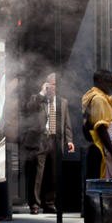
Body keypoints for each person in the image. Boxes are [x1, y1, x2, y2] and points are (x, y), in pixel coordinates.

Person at [21, 72, 74, 213]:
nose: (52, 87)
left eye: (55, 84)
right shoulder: (37, 99)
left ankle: (49, 203)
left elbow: (66, 123)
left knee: (53, 173)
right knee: (38, 173)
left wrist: (69, 140)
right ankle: (35, 204)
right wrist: (41, 93)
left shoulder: (62, 102)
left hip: (55, 139)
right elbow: (29, 108)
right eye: (50, 83)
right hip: (40, 139)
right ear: (45, 84)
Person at [81, 69, 112, 180]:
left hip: (102, 149)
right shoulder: (98, 99)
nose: (111, 84)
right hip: (103, 152)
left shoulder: (99, 96)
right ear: (99, 81)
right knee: (102, 187)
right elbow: (101, 128)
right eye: (108, 81)